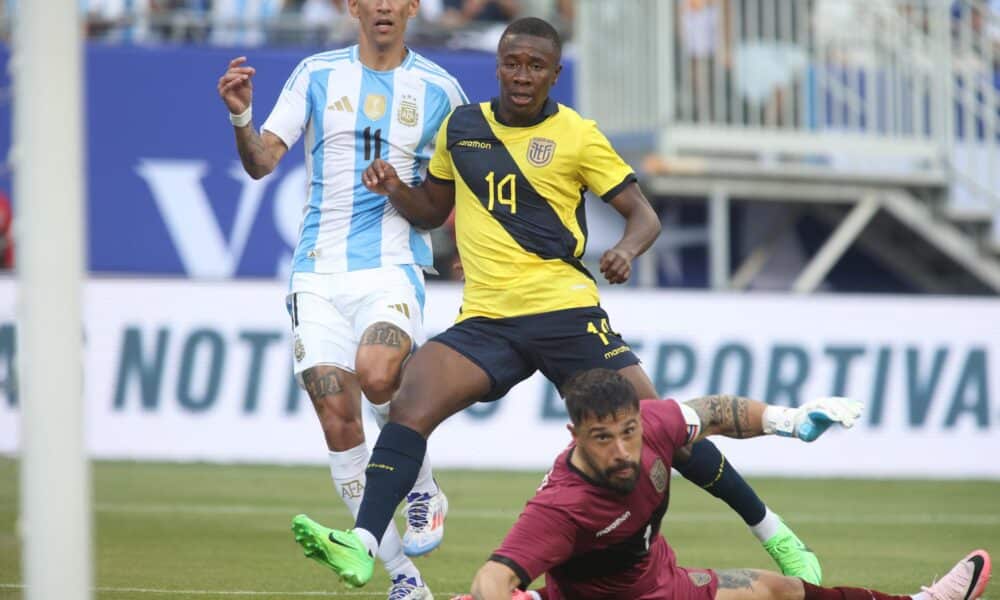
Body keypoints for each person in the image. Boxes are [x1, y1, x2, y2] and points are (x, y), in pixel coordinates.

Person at [290, 17, 822, 590]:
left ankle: (774, 533)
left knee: (660, 429)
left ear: (554, 74)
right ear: (497, 66)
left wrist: (624, 249)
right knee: (408, 405)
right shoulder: (461, 127)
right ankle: (364, 544)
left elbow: (644, 215)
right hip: (488, 320)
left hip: (565, 314)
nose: (522, 76)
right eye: (512, 64)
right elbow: (430, 210)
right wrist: (395, 188)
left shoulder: (577, 134)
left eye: (535, 66)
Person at [216, 1, 467, 598]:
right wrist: (241, 117)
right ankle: (404, 580)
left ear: (411, 6)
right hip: (317, 274)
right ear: (351, 6)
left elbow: (454, 187)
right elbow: (262, 162)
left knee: (379, 377)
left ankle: (423, 484)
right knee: (337, 416)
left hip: (390, 265)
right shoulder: (316, 73)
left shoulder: (441, 90)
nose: (382, 5)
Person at [456, 369, 991, 600]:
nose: (622, 450)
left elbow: (714, 413)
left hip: (664, 582)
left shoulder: (655, 424)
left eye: (628, 432)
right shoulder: (562, 508)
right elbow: (492, 577)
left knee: (784, 590)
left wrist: (791, 420)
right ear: (574, 435)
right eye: (602, 438)